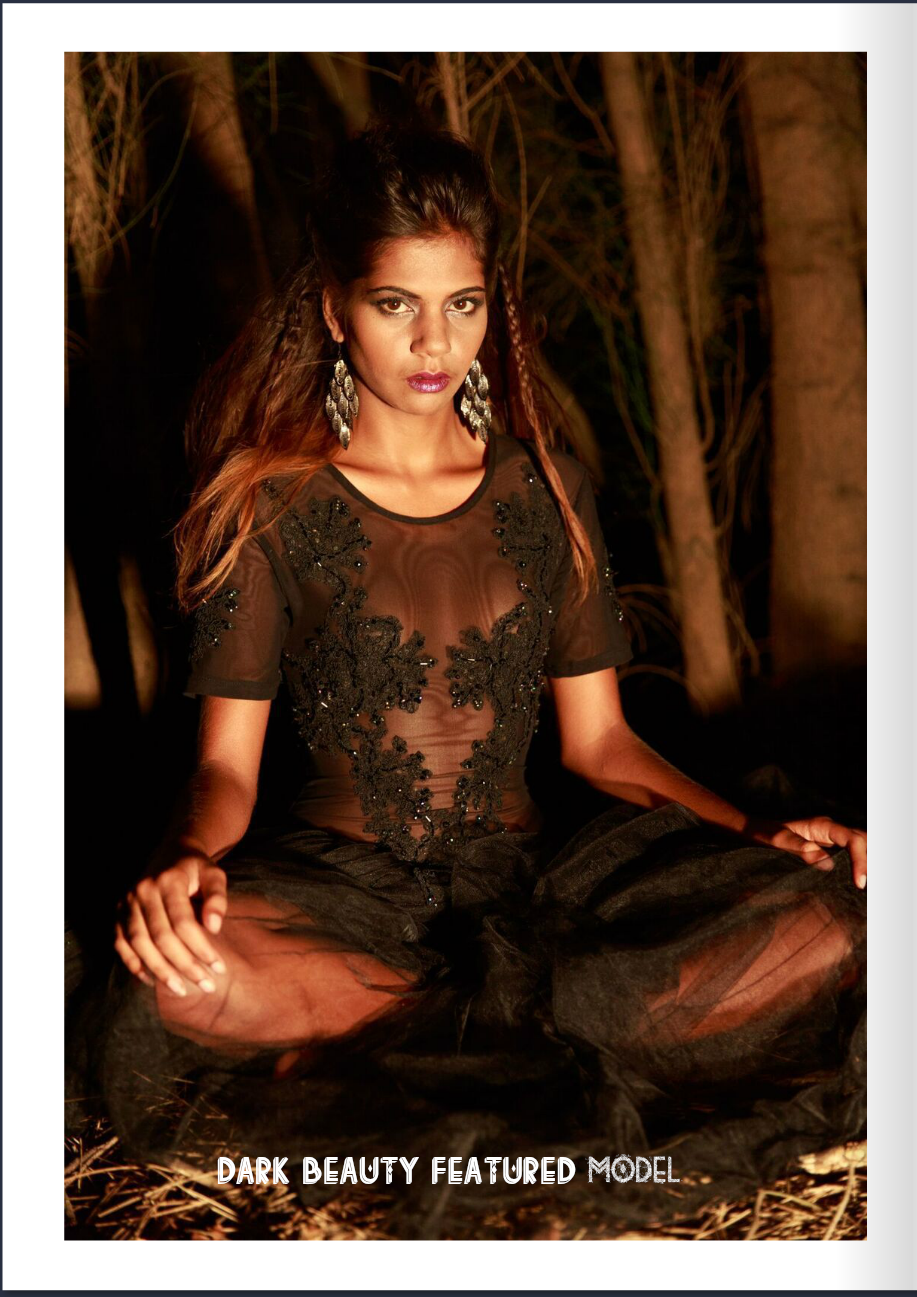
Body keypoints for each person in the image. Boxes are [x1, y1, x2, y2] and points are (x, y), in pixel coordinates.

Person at [77, 122, 866, 1239]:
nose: (434, 340)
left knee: (826, 919)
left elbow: (602, 744)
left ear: (492, 303)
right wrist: (184, 860)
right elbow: (225, 769)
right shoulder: (269, 500)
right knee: (172, 983)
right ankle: (456, 1033)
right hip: (341, 899)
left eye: (463, 303)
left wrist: (754, 832)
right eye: (394, 303)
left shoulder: (546, 487)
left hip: (538, 892)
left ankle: (429, 1046)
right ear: (334, 310)